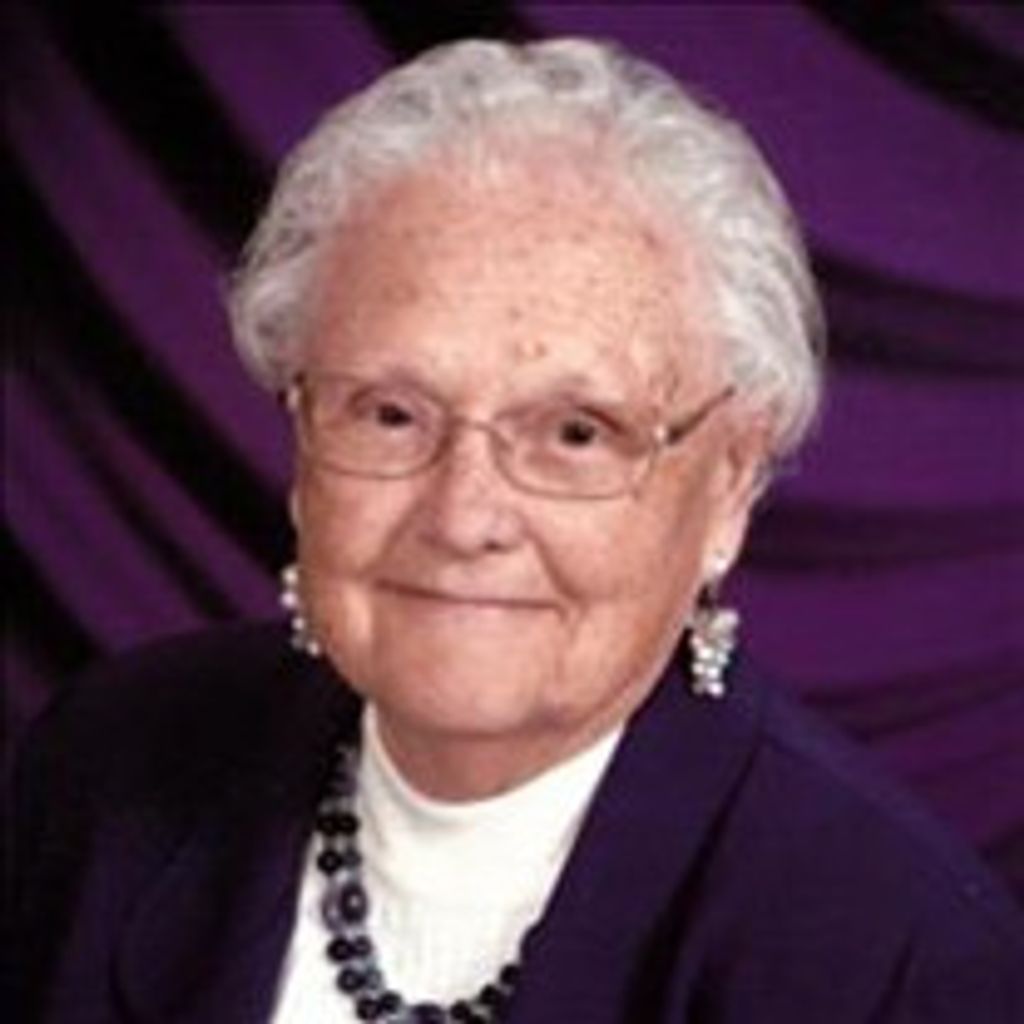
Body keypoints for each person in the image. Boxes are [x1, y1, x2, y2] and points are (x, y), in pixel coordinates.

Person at [10, 37, 1023, 1024]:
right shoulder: (100, 772)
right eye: (391, 413)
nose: (463, 517)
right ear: (302, 429)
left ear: (729, 485)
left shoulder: (898, 964)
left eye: (576, 433)